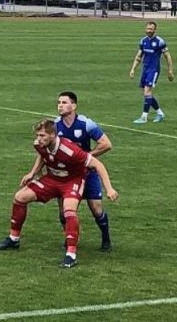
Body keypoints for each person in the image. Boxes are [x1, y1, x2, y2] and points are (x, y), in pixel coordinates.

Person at [0, 118, 118, 268]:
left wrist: (109, 188)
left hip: (72, 181)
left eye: (42, 136)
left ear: (53, 135)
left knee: (69, 210)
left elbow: (97, 164)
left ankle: (71, 255)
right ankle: (14, 239)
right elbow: (42, 155)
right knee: (20, 197)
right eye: (37, 135)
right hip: (52, 179)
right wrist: (32, 173)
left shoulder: (70, 150)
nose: (38, 139)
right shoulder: (39, 144)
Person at [55, 92, 114, 252]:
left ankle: (106, 239)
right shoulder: (55, 126)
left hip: (87, 172)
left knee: (96, 208)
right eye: (59, 102)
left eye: (64, 102)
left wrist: (86, 157)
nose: (60, 105)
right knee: (64, 210)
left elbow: (106, 144)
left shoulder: (86, 124)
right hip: (66, 175)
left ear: (73, 106)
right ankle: (69, 238)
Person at [129, 21, 174, 123]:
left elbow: (167, 56)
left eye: (151, 29)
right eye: (147, 29)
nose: (149, 31)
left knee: (147, 92)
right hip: (145, 69)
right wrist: (133, 69)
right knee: (147, 94)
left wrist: (170, 70)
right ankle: (160, 113)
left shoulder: (159, 41)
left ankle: (144, 117)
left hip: (154, 70)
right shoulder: (143, 41)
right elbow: (138, 56)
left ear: (155, 30)